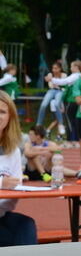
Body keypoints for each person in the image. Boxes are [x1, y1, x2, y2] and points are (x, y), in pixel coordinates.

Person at [0, 91, 36, 246]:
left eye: (2, 112)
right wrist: (2, 184)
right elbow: (6, 185)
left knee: (25, 225)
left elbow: (13, 195)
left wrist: (11, 187)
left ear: (10, 117)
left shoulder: (13, 150)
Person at [49, 60, 81, 144]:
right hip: (78, 101)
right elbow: (66, 84)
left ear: (76, 67)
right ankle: (77, 139)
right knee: (75, 120)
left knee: (69, 121)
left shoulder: (75, 76)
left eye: (71, 66)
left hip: (71, 100)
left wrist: (51, 79)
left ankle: (70, 140)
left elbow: (64, 81)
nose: (70, 68)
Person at [38, 60, 67, 136]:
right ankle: (39, 124)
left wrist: (54, 81)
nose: (54, 70)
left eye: (56, 68)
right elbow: (48, 80)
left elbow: (62, 85)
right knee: (43, 105)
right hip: (51, 91)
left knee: (57, 104)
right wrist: (47, 78)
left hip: (60, 91)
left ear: (60, 69)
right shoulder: (50, 74)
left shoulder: (64, 75)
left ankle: (61, 124)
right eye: (53, 68)